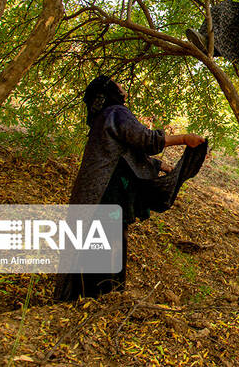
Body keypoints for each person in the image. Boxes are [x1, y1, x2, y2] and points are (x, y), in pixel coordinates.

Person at [54, 75, 208, 302]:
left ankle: (87, 297)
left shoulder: (103, 118)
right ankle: (102, 298)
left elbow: (125, 154)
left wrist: (162, 166)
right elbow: (145, 140)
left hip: (97, 192)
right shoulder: (116, 112)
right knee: (108, 240)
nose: (123, 88)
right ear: (109, 91)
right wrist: (185, 138)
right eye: (118, 84)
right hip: (107, 192)